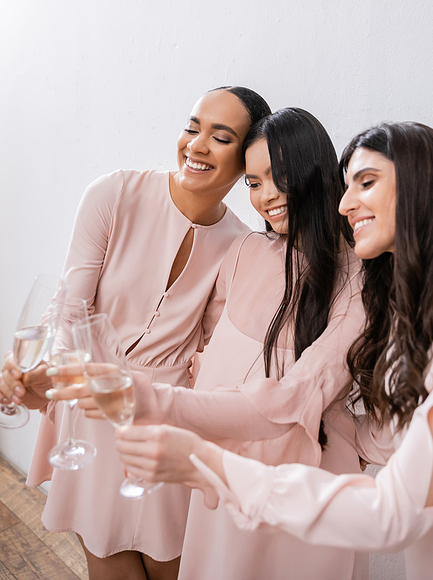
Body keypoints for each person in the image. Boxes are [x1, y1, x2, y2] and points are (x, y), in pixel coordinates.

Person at [113, 122, 433, 580]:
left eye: (367, 181)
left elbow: (392, 513)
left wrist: (214, 464)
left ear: (424, 184)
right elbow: (388, 435)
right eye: (253, 182)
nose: (344, 202)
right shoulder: (422, 308)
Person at [49, 108, 368, 579]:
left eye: (278, 175)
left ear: (314, 170)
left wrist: (148, 401)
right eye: (254, 183)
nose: (266, 196)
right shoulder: (246, 251)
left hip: (300, 481)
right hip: (219, 469)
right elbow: (205, 355)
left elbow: (294, 397)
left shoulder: (359, 280)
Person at [0, 86, 271, 580]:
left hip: (166, 417)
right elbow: (70, 309)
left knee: (172, 563)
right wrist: (46, 373)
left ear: (247, 157)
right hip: (91, 407)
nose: (196, 145)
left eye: (221, 136)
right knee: (106, 557)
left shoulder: (242, 245)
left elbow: (211, 354)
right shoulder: (114, 193)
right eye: (192, 127)